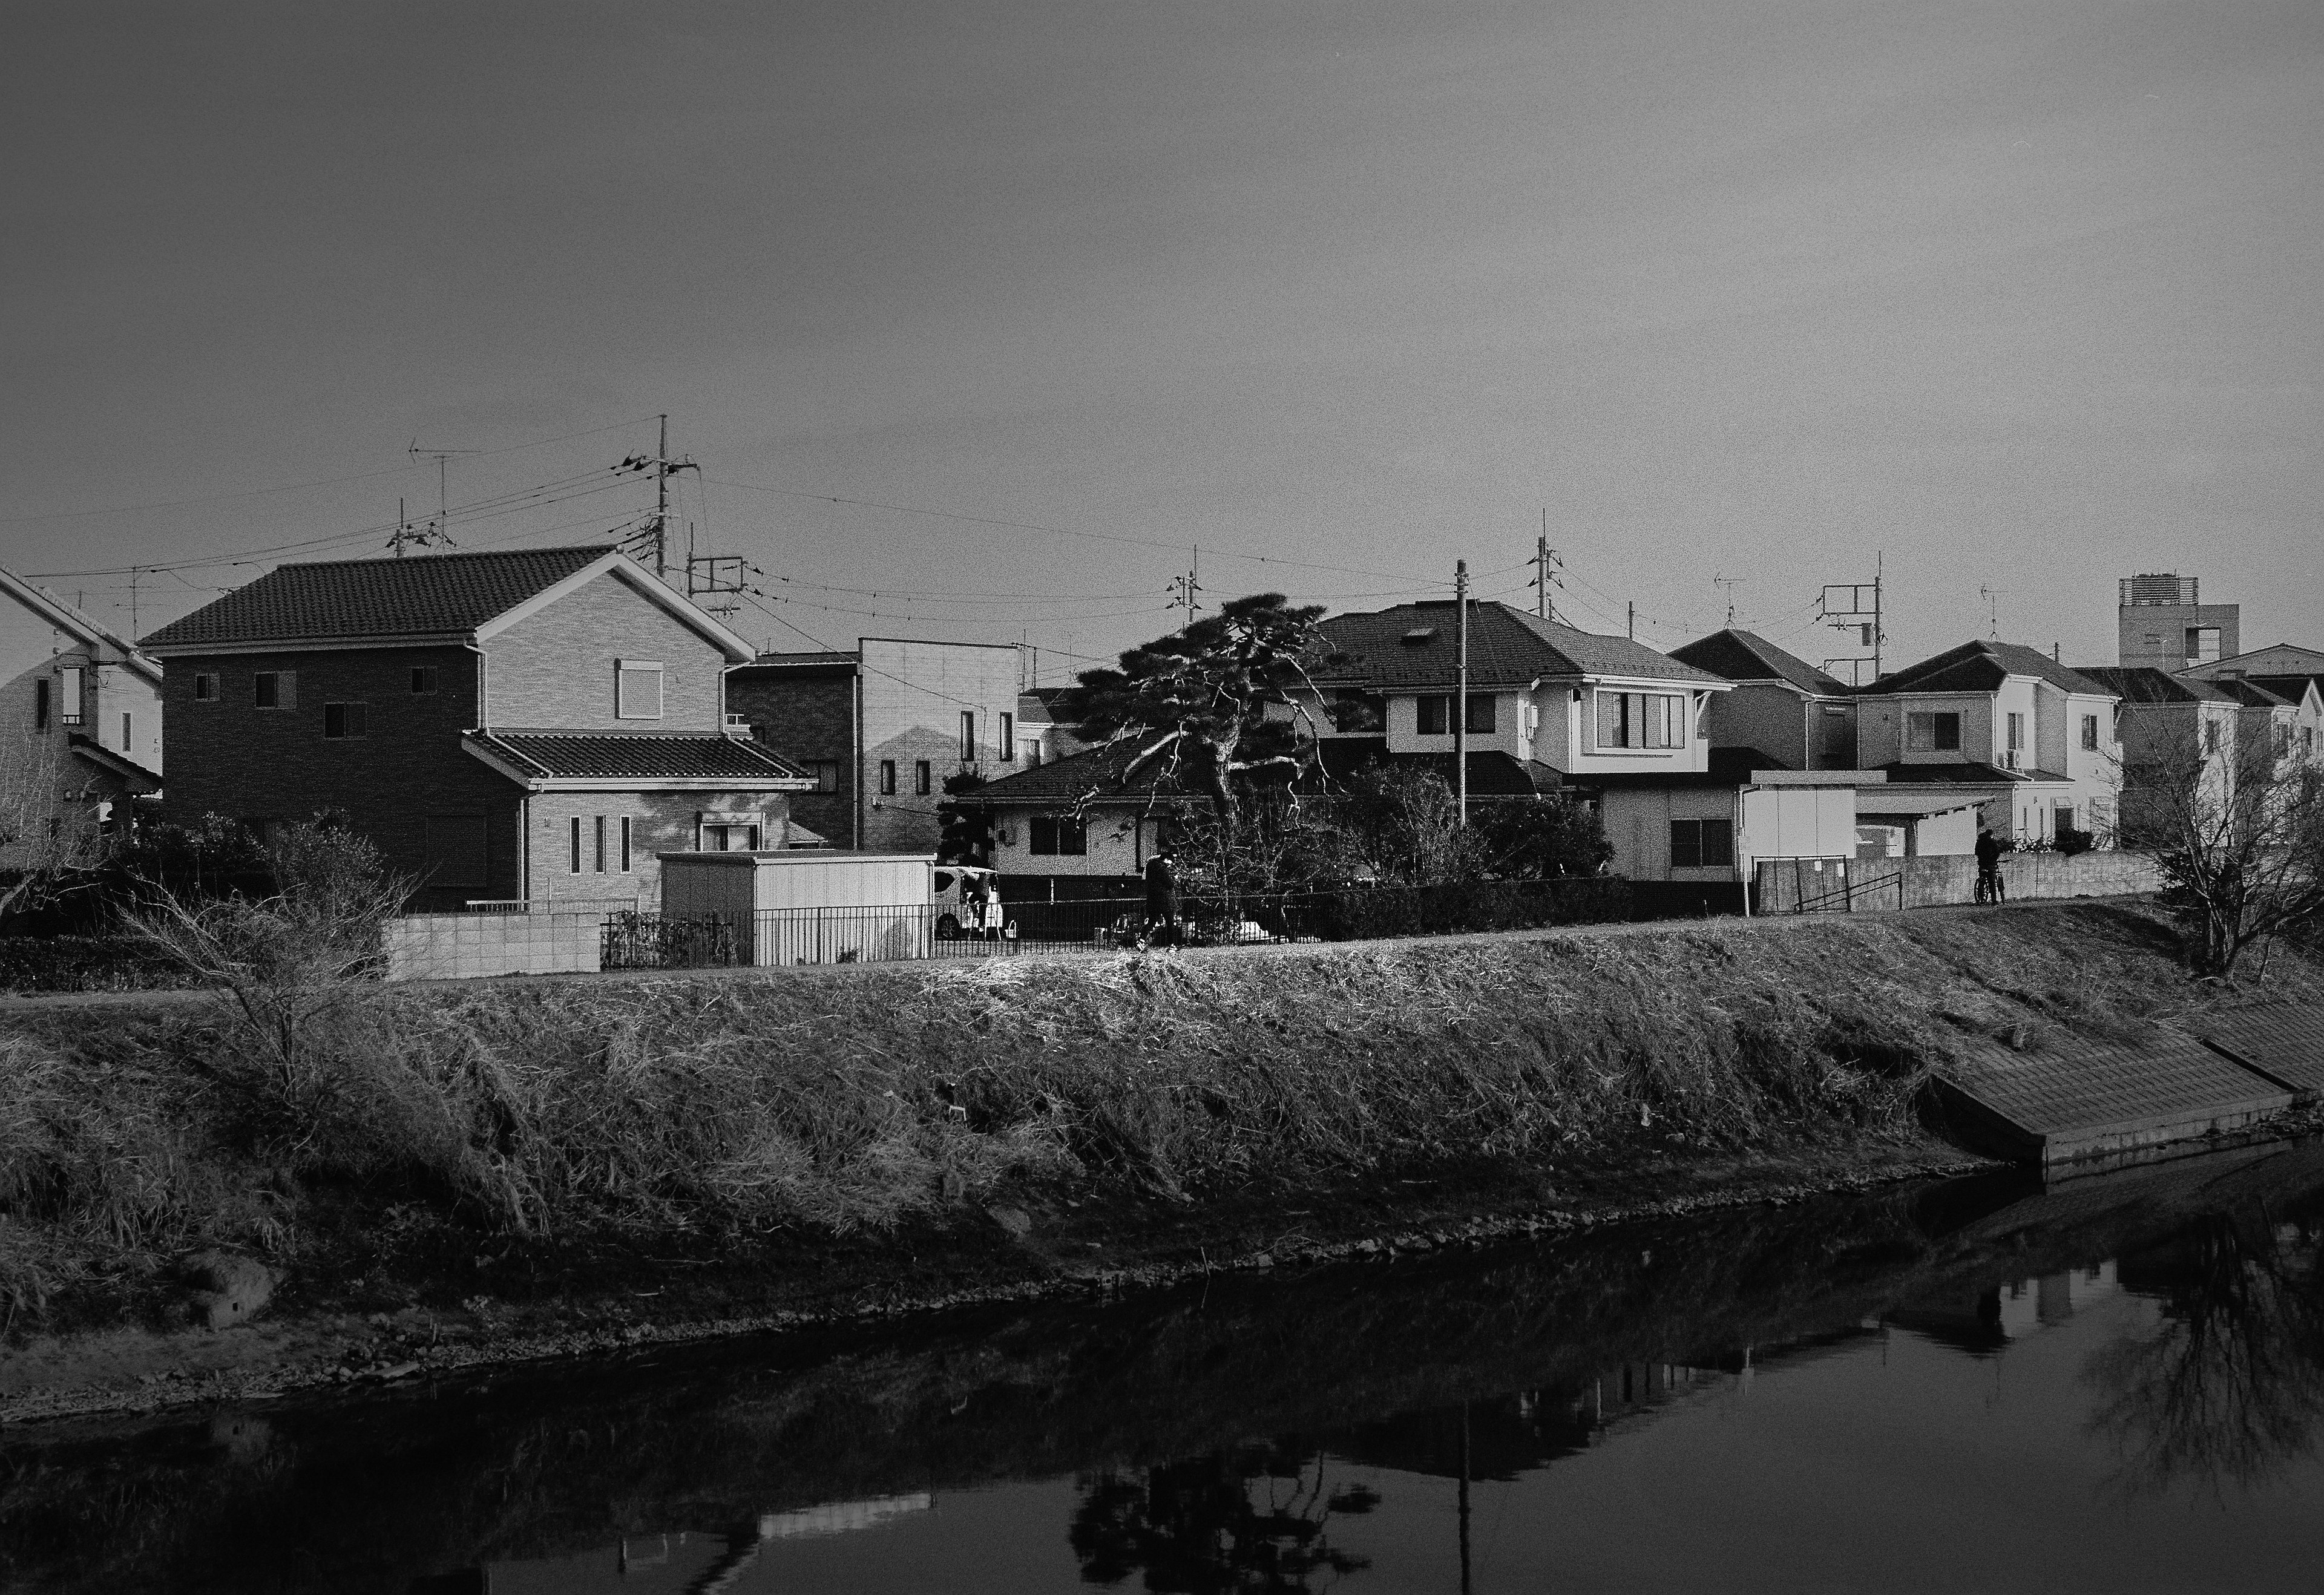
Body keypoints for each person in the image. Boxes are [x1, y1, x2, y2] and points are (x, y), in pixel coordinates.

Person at [1143, 847, 1180, 944]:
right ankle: (1172, 944)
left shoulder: (1150, 866)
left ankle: (1141, 940)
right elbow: (1169, 884)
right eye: (1170, 863)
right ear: (1166, 860)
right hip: (1165, 900)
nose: (1169, 866)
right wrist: (1174, 879)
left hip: (1153, 899)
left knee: (1152, 921)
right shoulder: (1162, 869)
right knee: (1170, 922)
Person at [1974, 825, 2005, 904]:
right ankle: (1994, 900)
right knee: (1992, 882)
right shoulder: (1992, 842)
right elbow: (1997, 852)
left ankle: (1981, 899)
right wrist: (1993, 860)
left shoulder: (1979, 841)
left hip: (1982, 863)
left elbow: (1976, 852)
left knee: (1982, 878)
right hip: (1990, 864)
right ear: (1992, 835)